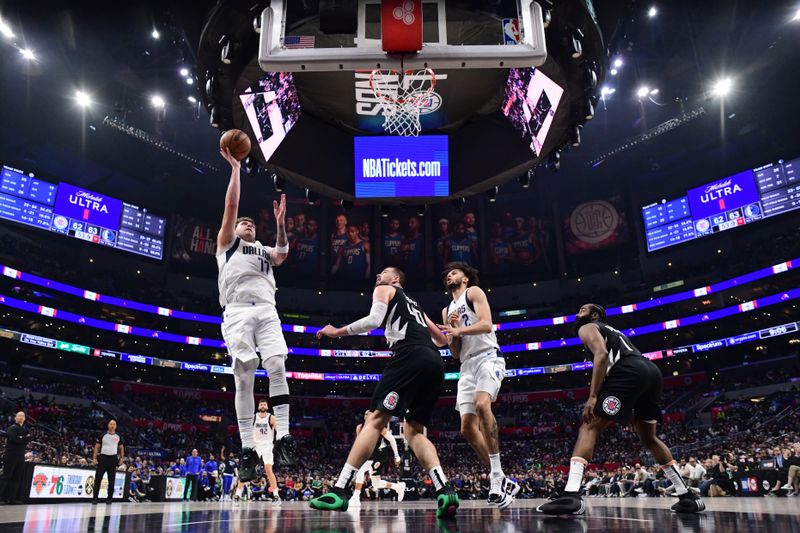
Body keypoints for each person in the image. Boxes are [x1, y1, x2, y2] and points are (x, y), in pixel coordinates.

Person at [310, 267, 460, 518]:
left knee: (375, 419)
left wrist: (336, 332)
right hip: (435, 363)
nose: (378, 277)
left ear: (396, 279)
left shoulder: (386, 289)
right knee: (413, 431)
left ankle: (340, 490)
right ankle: (444, 489)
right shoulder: (417, 307)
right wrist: (453, 328)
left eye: (383, 273)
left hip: (408, 355)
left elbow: (373, 321)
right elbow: (444, 341)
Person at [537, 304, 705, 515]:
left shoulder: (588, 327)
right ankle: (687, 496)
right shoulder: (613, 332)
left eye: (582, 309)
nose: (577, 313)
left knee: (589, 427)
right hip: (651, 373)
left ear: (595, 315)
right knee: (649, 438)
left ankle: (571, 496)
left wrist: (593, 396)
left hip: (628, 371)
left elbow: (601, 354)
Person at [217, 147, 296, 475]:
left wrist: (279, 224)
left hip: (266, 309)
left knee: (277, 364)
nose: (247, 224)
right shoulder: (226, 244)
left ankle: (286, 437)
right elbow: (232, 206)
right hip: (236, 311)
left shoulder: (264, 249)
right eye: (243, 223)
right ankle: (248, 447)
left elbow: (282, 254)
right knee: (244, 375)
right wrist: (236, 169)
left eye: (251, 223)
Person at [438, 263, 519, 508]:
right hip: (466, 365)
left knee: (483, 404)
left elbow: (486, 324)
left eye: (455, 272)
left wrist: (459, 329)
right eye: (447, 273)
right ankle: (502, 478)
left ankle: (495, 478)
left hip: (487, 356)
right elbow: (454, 353)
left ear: (465, 277)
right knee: (466, 428)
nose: (449, 275)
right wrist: (452, 336)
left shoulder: (473, 292)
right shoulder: (446, 310)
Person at [349, 411, 405, 507]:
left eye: (369, 414)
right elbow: (360, 443)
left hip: (380, 453)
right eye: (365, 414)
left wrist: (397, 455)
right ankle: (398, 487)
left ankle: (356, 497)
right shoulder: (359, 427)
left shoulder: (379, 426)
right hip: (370, 453)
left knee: (360, 469)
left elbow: (391, 439)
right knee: (376, 484)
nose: (366, 415)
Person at [253, 399, 281, 505]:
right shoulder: (254, 417)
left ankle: (276, 495)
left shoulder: (271, 417)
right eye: (261, 404)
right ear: (258, 406)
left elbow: (278, 430)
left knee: (268, 470)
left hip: (267, 446)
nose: (263, 406)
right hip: (255, 445)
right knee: (248, 469)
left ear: (267, 407)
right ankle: (238, 494)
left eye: (264, 404)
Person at [92, 419, 124, 504]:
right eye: (111, 424)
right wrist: (94, 458)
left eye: (114, 424)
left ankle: (109, 498)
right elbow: (97, 447)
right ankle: (95, 498)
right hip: (103, 458)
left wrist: (121, 458)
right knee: (98, 479)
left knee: (112, 480)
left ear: (116, 426)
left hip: (113, 459)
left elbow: (121, 448)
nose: (112, 426)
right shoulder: (103, 435)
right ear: (108, 425)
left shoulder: (118, 437)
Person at [0, 411, 30, 504]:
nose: (21, 417)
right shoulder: (12, 428)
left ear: (25, 419)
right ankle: (1, 498)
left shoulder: (25, 429)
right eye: (19, 415)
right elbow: (14, 439)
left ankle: (11, 498)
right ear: (15, 418)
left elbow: (29, 438)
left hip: (20, 456)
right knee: (7, 477)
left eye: (23, 416)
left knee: (16, 478)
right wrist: (24, 439)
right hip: (10, 455)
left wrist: (22, 438)